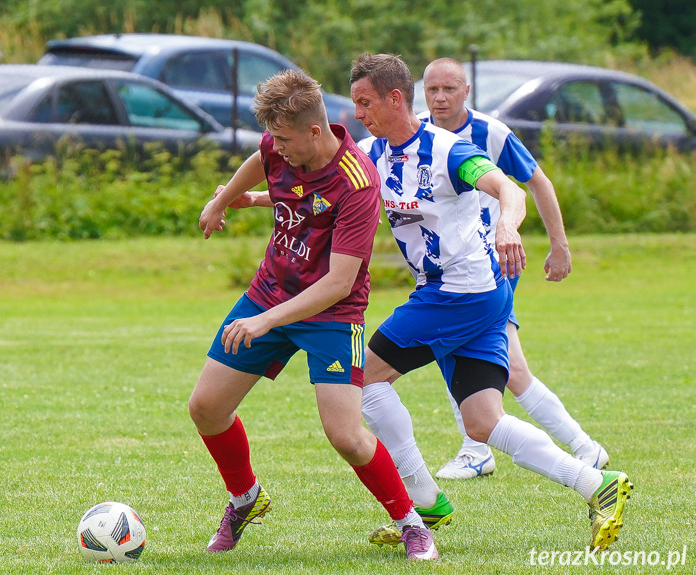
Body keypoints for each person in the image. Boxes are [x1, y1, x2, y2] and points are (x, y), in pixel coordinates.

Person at [348, 53, 633, 552]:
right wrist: (256, 199)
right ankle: (597, 484)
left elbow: (509, 187)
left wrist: (506, 223)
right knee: (483, 422)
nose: (358, 113)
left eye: (365, 102)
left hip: (458, 293)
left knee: (363, 379)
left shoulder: (448, 149)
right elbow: (326, 191)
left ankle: (423, 502)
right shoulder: (372, 152)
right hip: (477, 295)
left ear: (395, 99)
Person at [189, 68, 438, 561]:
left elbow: (339, 282)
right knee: (206, 408)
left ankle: (411, 523)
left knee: (345, 434)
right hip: (269, 290)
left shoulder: (357, 183)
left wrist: (266, 321)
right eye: (273, 137)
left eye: (283, 139)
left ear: (315, 131)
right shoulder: (280, 143)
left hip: (331, 313)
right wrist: (223, 202)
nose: (275, 147)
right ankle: (245, 500)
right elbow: (258, 159)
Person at [420, 57, 609, 480]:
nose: (440, 98)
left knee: (490, 361)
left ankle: (490, 451)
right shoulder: (418, 134)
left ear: (466, 91)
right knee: (484, 360)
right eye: (432, 90)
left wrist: (559, 246)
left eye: (449, 89)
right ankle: (576, 447)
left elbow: (537, 183)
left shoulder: (491, 133)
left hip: (492, 264)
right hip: (446, 270)